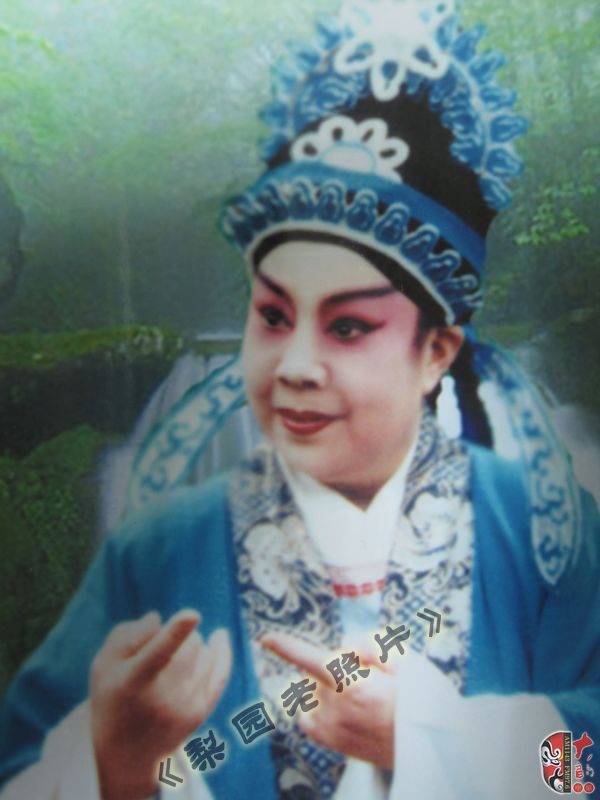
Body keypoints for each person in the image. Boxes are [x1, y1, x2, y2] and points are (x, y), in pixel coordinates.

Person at [1, 1, 599, 798]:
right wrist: (116, 767)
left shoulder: (544, 537)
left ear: (436, 351)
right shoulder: (157, 551)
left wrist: (436, 739)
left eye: (348, 325)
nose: (295, 366)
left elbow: (586, 762)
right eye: (275, 316)